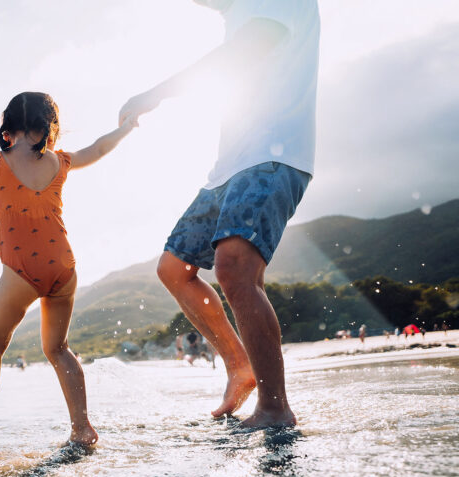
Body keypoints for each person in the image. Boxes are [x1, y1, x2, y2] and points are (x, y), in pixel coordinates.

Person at [120, 0, 319, 428]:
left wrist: (155, 93)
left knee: (234, 268)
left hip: (274, 154)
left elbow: (247, 49)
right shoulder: (236, 13)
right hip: (227, 169)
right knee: (174, 269)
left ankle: (274, 407)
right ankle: (239, 365)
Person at [0, 91, 136, 453]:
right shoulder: (60, 161)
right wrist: (126, 128)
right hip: (63, 266)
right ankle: (82, 427)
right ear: (50, 127)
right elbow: (98, 149)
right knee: (58, 348)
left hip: (20, 269)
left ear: (7, 130)